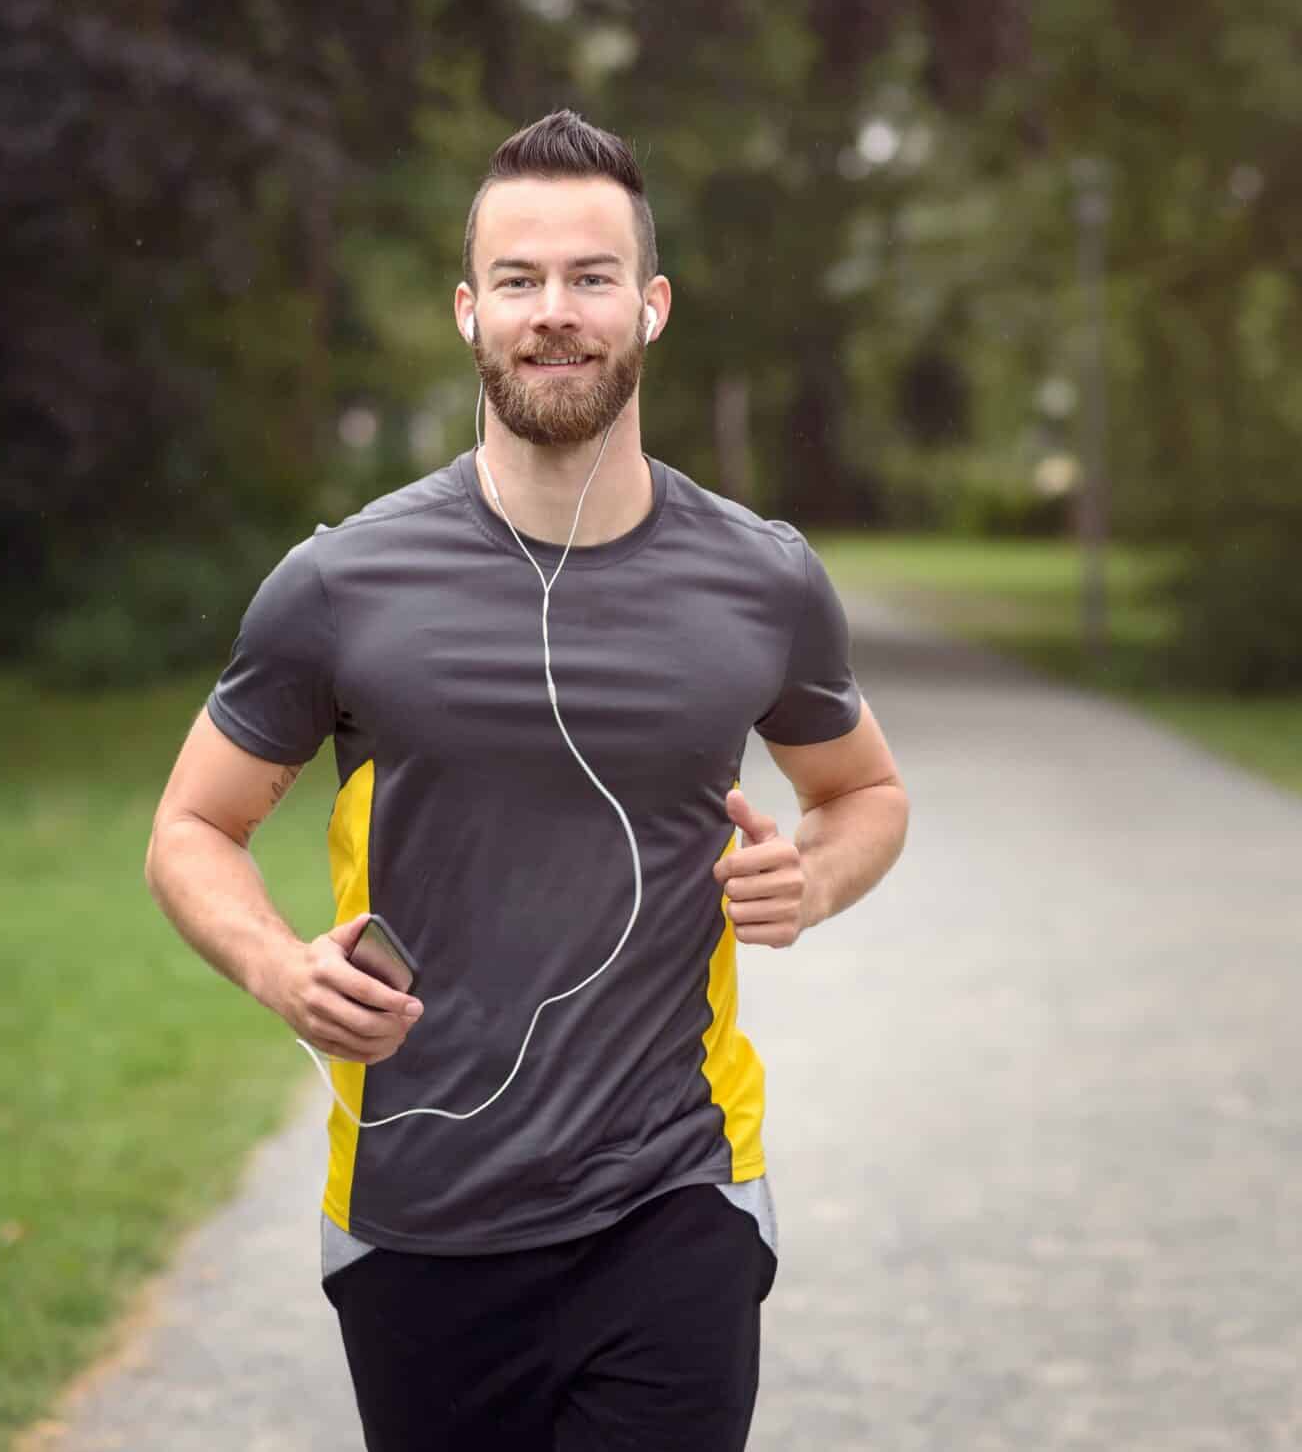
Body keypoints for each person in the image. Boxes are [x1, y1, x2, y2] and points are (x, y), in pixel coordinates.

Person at [143, 110, 910, 1451]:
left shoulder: (762, 579)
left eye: (591, 276)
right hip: (418, 1217)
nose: (556, 312)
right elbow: (191, 828)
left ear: (652, 305)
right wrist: (281, 969)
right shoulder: (340, 585)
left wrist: (814, 873)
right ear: (469, 310)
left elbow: (866, 795)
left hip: (675, 1196)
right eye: (520, 279)